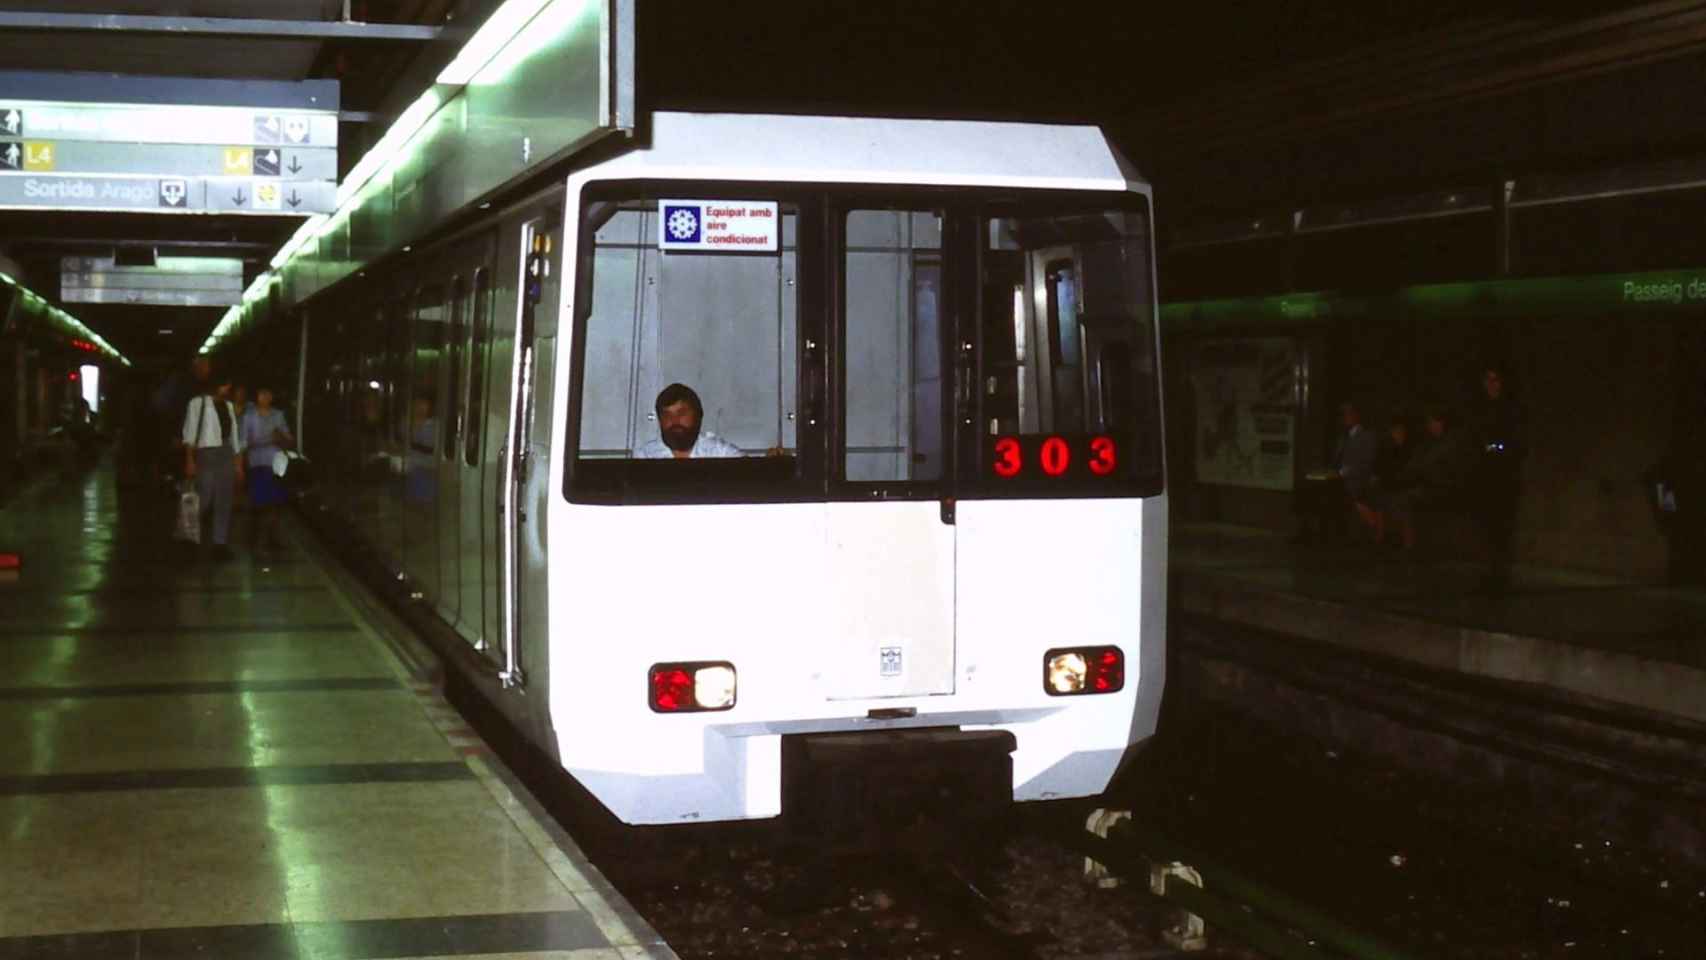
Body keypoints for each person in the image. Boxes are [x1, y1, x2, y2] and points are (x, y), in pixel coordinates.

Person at [1386, 406, 1475, 553]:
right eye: (1430, 423)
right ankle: (1400, 540)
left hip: (1445, 487)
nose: (1431, 426)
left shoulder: (1449, 442)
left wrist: (1421, 473)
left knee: (1405, 499)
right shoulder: (1429, 443)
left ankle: (1409, 545)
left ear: (1441, 423)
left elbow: (1435, 466)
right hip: (1430, 485)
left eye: (1434, 422)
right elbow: (1416, 464)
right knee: (1397, 496)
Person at [1467, 365, 1526, 587]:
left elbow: (1515, 441)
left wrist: (1497, 447)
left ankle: (1501, 572)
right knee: (1487, 525)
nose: (1492, 385)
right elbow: (1475, 439)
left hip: (1505, 474)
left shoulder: (1510, 409)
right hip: (1485, 475)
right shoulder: (1481, 410)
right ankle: (1489, 570)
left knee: (1503, 525)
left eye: (1496, 380)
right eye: (1488, 380)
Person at [1294, 400, 1379, 544]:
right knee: (1306, 485)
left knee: (1326, 490)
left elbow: (1365, 463)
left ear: (1356, 415)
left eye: (1348, 414)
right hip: (1336, 479)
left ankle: (1323, 532)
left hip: (1353, 480)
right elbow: (1335, 463)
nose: (1345, 417)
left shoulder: (1367, 437)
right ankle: (1307, 529)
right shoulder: (1341, 438)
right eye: (1343, 415)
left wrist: (1342, 473)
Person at [182, 368, 245, 558]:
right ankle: (189, 535)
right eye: (225, 385)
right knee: (205, 497)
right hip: (206, 453)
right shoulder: (197, 403)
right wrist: (190, 460)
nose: (228, 389)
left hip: (226, 452)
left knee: (224, 499)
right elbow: (190, 433)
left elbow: (234, 436)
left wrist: (238, 463)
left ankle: (220, 543)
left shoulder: (228, 406)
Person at [241, 385, 294, 557]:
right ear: (257, 396)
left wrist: (281, 438)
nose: (265, 397)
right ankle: (260, 542)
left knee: (275, 504)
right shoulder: (249, 416)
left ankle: (270, 540)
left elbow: (288, 438)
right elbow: (243, 442)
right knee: (263, 505)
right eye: (262, 394)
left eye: (268, 394)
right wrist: (264, 440)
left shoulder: (278, 415)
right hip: (257, 463)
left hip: (275, 463)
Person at [635, 383, 743, 459]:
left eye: (681, 413)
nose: (674, 420)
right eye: (667, 415)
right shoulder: (645, 456)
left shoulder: (722, 454)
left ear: (698, 415)